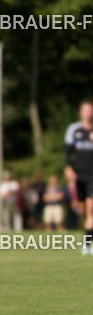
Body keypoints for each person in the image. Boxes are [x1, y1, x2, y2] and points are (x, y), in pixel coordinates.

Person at [64, 100, 93, 254]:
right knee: (83, 210)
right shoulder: (74, 130)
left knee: (91, 209)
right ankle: (88, 237)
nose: (88, 113)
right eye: (86, 110)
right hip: (79, 176)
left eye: (91, 110)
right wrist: (68, 167)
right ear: (81, 112)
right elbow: (67, 153)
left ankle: (86, 245)